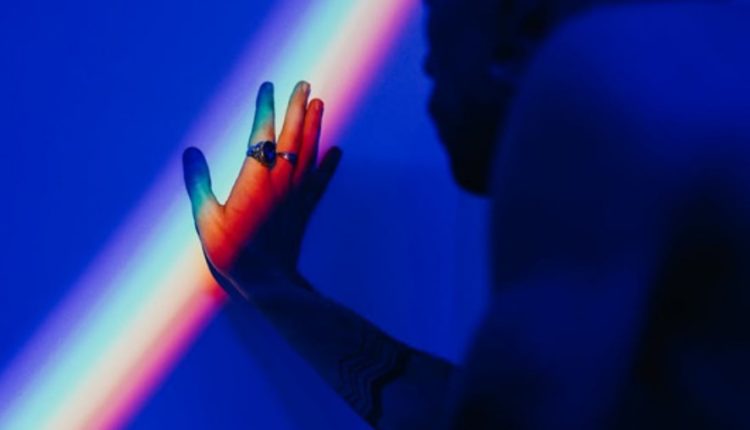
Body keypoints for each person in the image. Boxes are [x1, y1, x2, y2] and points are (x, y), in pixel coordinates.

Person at [183, 0, 750, 428]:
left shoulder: (600, 76)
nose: (427, 60)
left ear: (521, 32)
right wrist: (269, 282)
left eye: (436, 12)